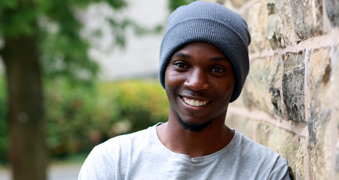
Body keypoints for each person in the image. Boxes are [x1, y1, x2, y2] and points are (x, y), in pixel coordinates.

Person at [78, 1, 292, 179]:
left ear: (236, 80)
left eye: (217, 69)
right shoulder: (113, 161)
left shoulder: (266, 171)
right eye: (182, 65)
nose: (196, 83)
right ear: (164, 72)